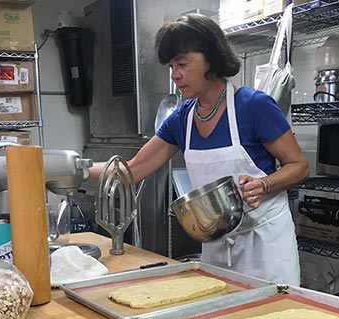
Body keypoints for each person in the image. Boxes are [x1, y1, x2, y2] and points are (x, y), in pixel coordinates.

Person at [88, 13, 309, 285]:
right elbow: (132, 170)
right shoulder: (183, 119)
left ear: (211, 58)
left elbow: (299, 166)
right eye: (171, 66)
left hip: (264, 245)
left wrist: (264, 184)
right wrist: (76, 170)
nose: (175, 75)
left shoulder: (253, 106)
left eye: (182, 64)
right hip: (216, 243)